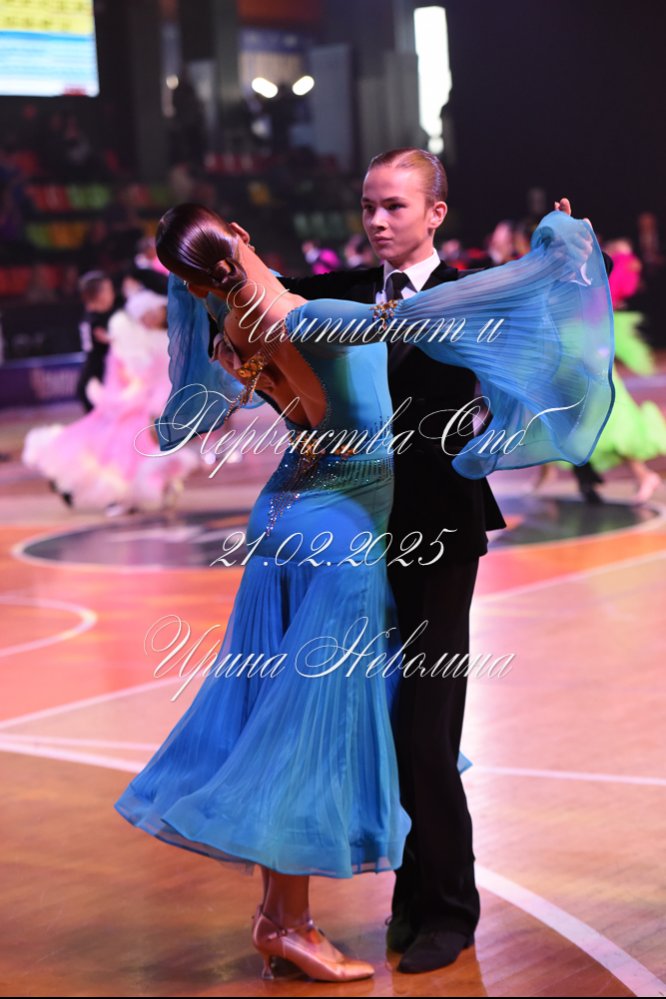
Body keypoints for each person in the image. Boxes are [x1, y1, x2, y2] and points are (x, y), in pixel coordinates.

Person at [112, 201, 613, 983]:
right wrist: (551, 261)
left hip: (288, 512)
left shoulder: (238, 324)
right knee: (306, 732)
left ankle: (280, 916)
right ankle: (290, 924)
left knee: (282, 717)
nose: (377, 218)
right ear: (240, 236)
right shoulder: (309, 317)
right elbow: (375, 367)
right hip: (337, 530)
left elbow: (311, 393)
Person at [270, 149, 598, 972]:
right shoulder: (343, 291)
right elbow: (258, 301)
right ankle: (410, 898)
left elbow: (556, 314)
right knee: (382, 727)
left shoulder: (478, 291)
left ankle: (448, 909)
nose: (377, 220)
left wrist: (558, 248)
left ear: (435, 213)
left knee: (426, 728)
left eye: (394, 206)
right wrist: (226, 255)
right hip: (357, 533)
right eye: (368, 205)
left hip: (442, 531)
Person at [23, 289, 198, 514]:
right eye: (145, 315)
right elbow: (125, 376)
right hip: (134, 405)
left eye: (152, 313)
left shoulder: (171, 338)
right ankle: (125, 494)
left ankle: (152, 489)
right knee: (121, 446)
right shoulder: (129, 343)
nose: (150, 318)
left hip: (159, 403)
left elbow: (170, 375)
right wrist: (122, 397)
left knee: (146, 446)